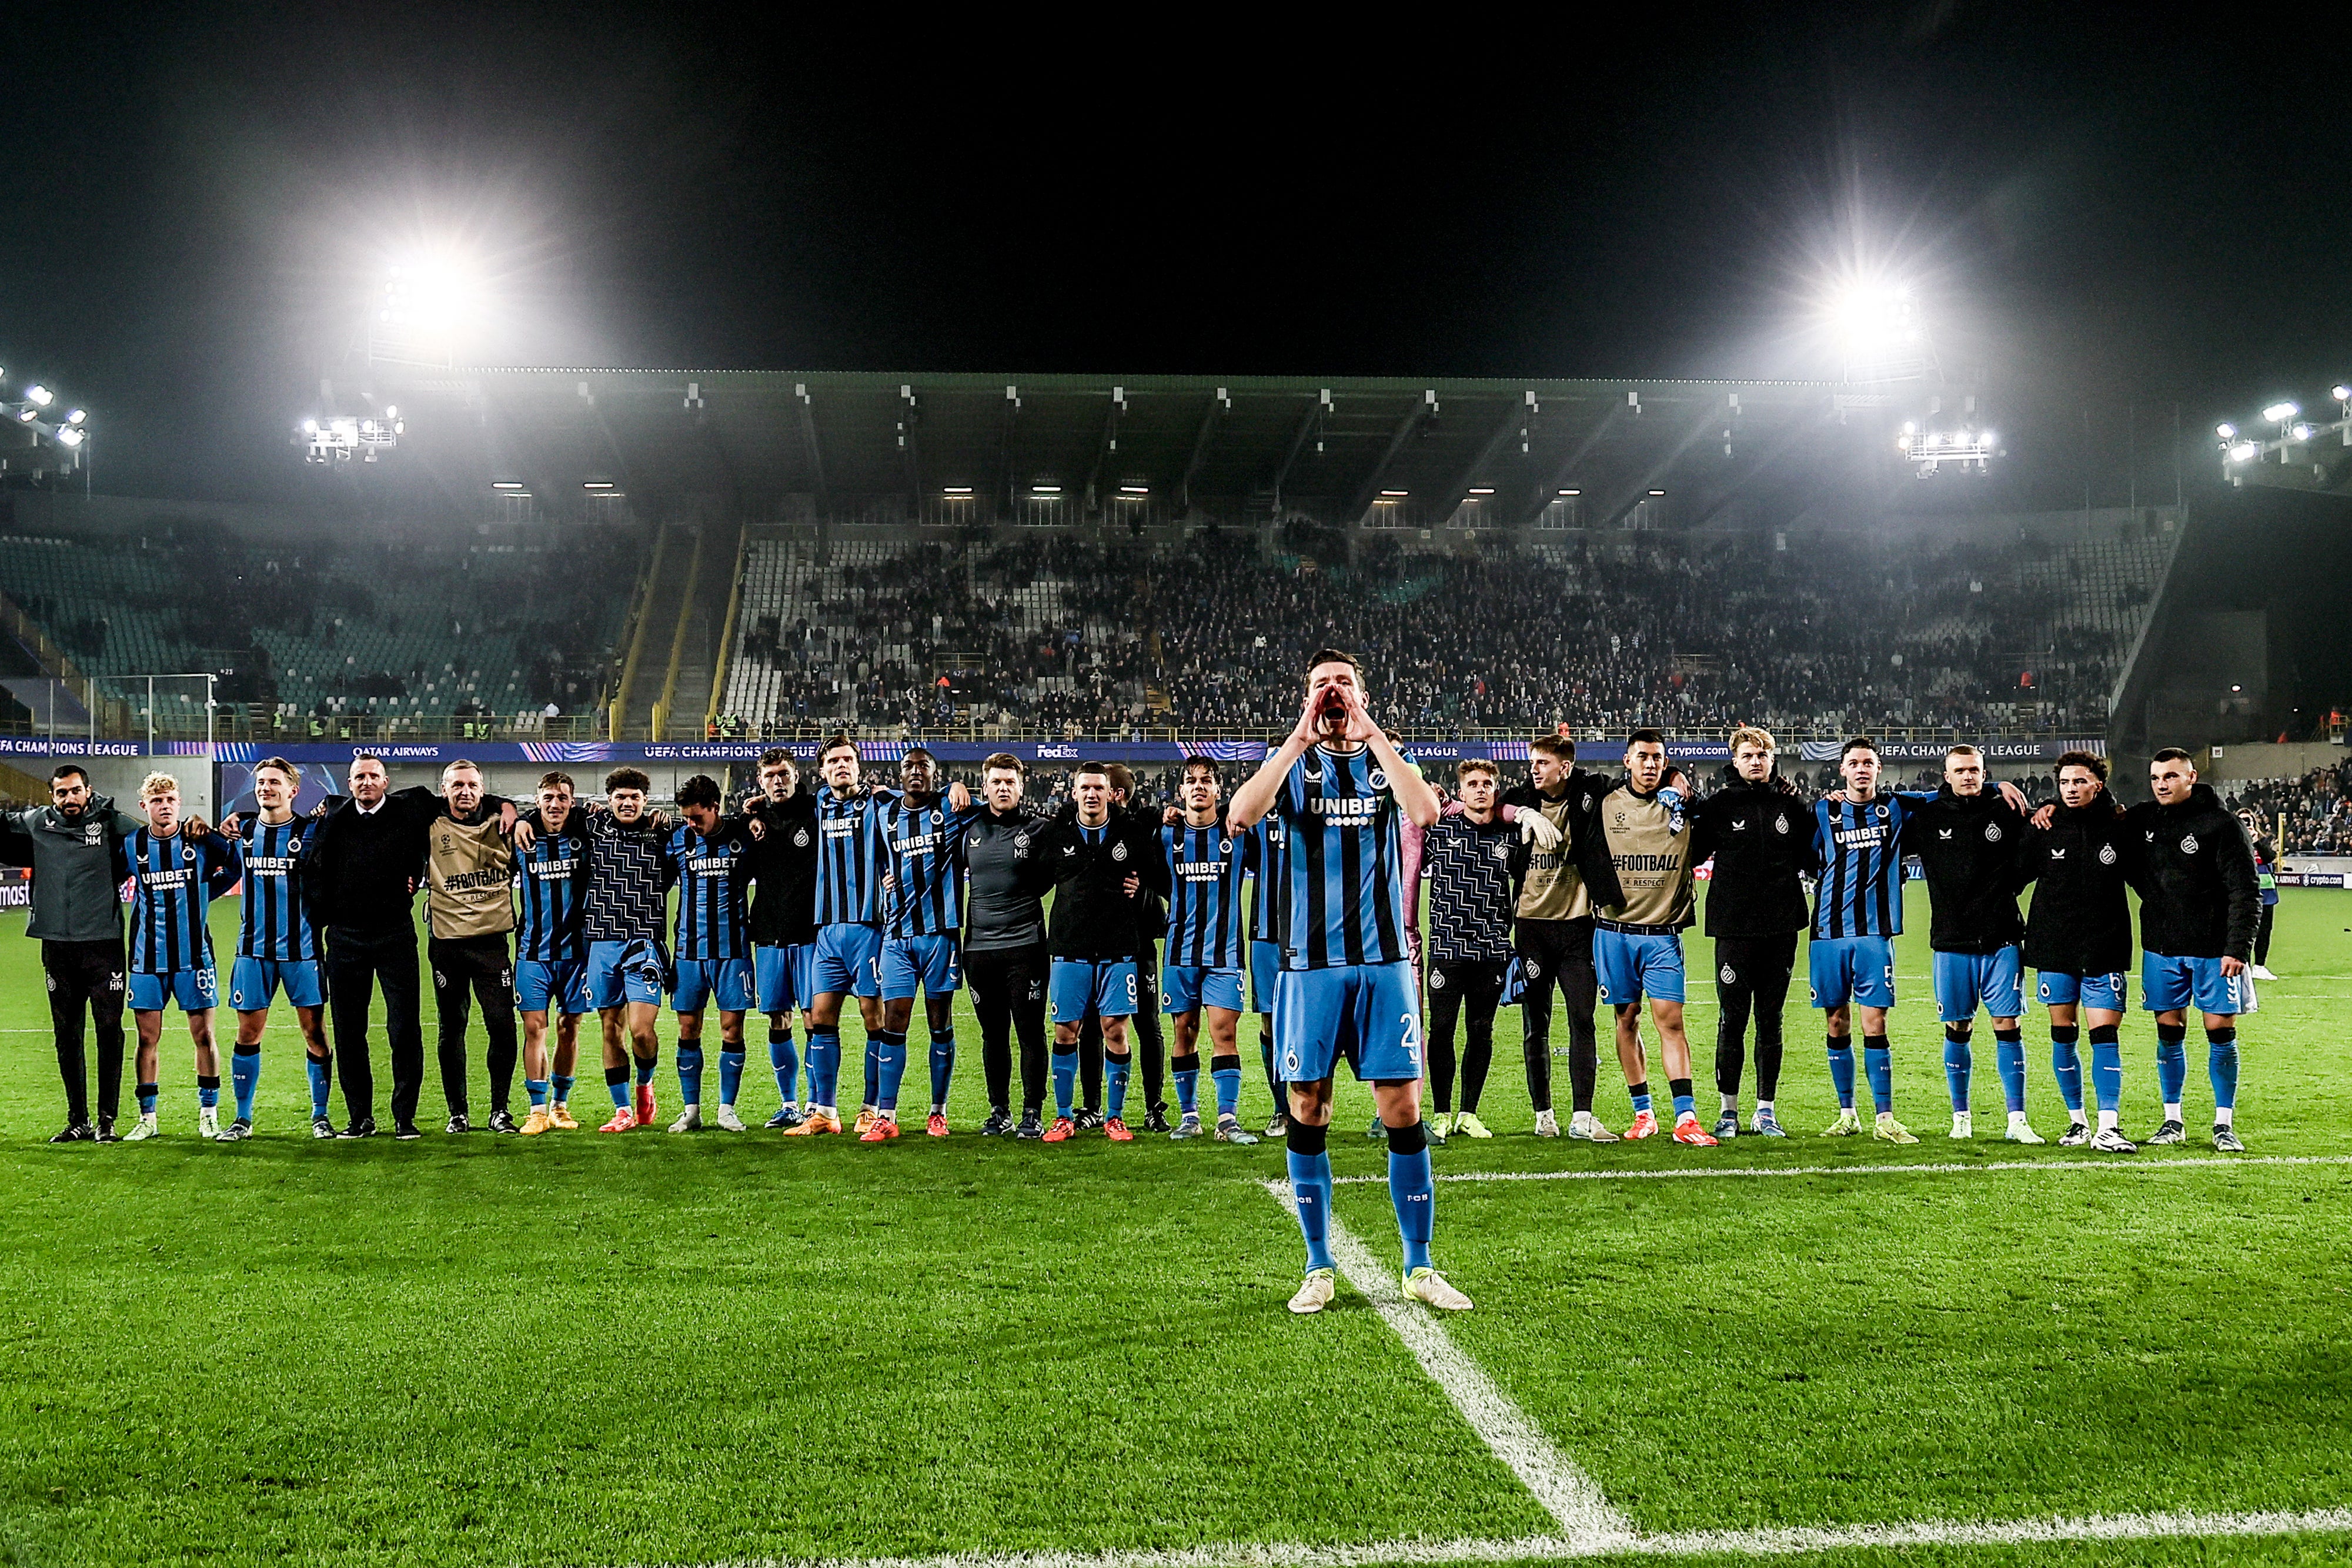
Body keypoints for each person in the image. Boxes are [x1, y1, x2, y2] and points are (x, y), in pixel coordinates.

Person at [1227, 648, 1466, 1314]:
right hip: (1310, 968)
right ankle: (1318, 1265)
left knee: (1403, 1110)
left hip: (1384, 964)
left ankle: (1419, 1265)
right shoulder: (1293, 767)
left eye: (1343, 684)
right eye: (1320, 685)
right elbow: (1240, 816)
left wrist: (1374, 734)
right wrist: (1297, 737)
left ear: (1361, 693)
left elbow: (1425, 813)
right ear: (1305, 697)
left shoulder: (1388, 766)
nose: (1332, 692)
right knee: (1308, 1108)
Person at [1805, 737, 2020, 1144]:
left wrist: (1996, 787)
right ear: (1842, 770)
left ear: (1879, 767)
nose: (1862, 769)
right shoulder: (1821, 811)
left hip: (1874, 933)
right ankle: (1847, 1112)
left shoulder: (1898, 808)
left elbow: (1954, 792)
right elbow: (1805, 856)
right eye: (1854, 763)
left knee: (1875, 1022)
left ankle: (1884, 1117)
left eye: (1868, 762)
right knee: (1836, 1021)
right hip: (1828, 933)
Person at [299, 753, 515, 1140]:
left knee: (404, 1028)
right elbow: (314, 869)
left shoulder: (410, 807)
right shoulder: (333, 817)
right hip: (345, 939)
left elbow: (469, 796)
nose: (366, 782)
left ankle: (405, 1118)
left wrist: (508, 807)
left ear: (386, 782)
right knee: (350, 1031)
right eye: (359, 777)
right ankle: (360, 1118)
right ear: (350, 784)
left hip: (395, 935)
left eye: (374, 776)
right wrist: (329, 914)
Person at [1582, 731, 1718, 1145]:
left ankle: (1686, 1117)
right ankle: (1644, 1114)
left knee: (1671, 1021)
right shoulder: (1604, 802)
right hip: (1613, 933)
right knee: (1626, 1018)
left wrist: (1685, 791)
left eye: (1658, 758)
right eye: (1642, 756)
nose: (1650, 764)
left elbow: (1712, 817)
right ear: (1627, 760)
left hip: (1662, 935)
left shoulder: (1685, 809)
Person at [1899, 744, 2036, 1142]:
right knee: (1958, 1027)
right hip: (1951, 941)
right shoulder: (1927, 818)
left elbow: (2035, 842)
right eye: (1960, 770)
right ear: (1946, 776)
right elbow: (1888, 807)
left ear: (1984, 771)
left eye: (1975, 770)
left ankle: (2017, 1120)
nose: (1968, 776)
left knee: (2007, 1025)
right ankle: (1961, 1116)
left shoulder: (2005, 810)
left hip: (2002, 938)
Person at [8, 765, 153, 1142]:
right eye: (61, 793)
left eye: (75, 791)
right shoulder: (36, 822)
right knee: (66, 1034)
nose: (69, 799)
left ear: (88, 791)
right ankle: (78, 1120)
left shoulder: (111, 824)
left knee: (109, 1030)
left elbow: (153, 833)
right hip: (56, 945)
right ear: (52, 795)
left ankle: (107, 1120)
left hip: (103, 945)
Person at [1687, 726, 1816, 1139]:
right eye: (1748, 755)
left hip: (1780, 928)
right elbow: (1691, 854)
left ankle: (1765, 1110)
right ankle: (1728, 1112)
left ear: (1773, 759)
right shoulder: (1720, 805)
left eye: (1763, 754)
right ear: (1735, 761)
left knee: (1771, 1019)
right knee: (1732, 1018)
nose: (1756, 761)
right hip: (1733, 929)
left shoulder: (1790, 805)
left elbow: (1813, 860)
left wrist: (1809, 804)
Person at [2129, 749, 2259, 1151]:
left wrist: (2237, 947)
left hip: (2214, 951)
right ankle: (2173, 1120)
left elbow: (2245, 890)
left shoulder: (2221, 824)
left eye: (2170, 776)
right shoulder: (2145, 820)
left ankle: (2224, 1124)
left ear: (2191, 776)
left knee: (2220, 1034)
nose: (2162, 784)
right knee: (2169, 1034)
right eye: (2155, 778)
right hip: (2162, 948)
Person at [1018, 762, 1152, 1142]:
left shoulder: (1132, 833)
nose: (1092, 794)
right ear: (1073, 793)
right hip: (1068, 948)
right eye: (1085, 788)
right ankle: (1063, 1116)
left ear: (1111, 793)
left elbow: (1155, 877)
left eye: (1099, 787)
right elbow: (1035, 880)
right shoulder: (1057, 832)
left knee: (1115, 1031)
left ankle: (1114, 1115)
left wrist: (1140, 887)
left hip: (1118, 949)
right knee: (1066, 1031)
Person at [2020, 751, 2137, 1152]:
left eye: (2080, 782)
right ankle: (2077, 1122)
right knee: (2063, 1034)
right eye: (2065, 783)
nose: (2071, 789)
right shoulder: (2045, 827)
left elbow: (2149, 880)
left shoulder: (2120, 827)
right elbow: (2013, 876)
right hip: (2055, 946)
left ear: (2097, 785)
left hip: (2105, 946)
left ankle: (2109, 1126)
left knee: (2104, 1035)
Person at [1499, 730, 1613, 1139]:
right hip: (1531, 928)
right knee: (1537, 1023)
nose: (1534, 769)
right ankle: (1543, 1114)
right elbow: (1491, 806)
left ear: (1565, 767)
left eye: (1542, 762)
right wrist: (1524, 815)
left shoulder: (1589, 790)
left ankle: (1582, 1117)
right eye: (1532, 762)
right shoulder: (1522, 799)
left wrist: (1671, 778)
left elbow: (1627, 782)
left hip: (1578, 929)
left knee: (1583, 1018)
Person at [116, 773, 243, 1139]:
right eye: (157, 801)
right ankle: (148, 1119)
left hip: (195, 957)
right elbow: (109, 876)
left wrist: (206, 891)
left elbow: (234, 866)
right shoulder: (133, 844)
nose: (165, 806)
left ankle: (209, 1113)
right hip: (146, 959)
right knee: (147, 1039)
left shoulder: (198, 840)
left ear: (180, 802)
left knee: (204, 1035)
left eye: (170, 799)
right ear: (145, 806)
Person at [784, 737, 891, 1138]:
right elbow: (784, 804)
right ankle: (826, 1111)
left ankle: (872, 1108)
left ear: (860, 766)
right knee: (821, 1018)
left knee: (873, 1017)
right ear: (823, 770)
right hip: (827, 930)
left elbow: (919, 801)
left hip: (868, 927)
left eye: (848, 759)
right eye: (834, 761)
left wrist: (953, 789)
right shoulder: (817, 806)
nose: (842, 765)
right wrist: (757, 807)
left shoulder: (881, 803)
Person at [871, 747, 978, 1140]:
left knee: (939, 1023)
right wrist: (886, 877)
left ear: (935, 774)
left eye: (924, 767)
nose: (916, 772)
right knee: (893, 1021)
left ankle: (938, 1111)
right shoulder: (885, 814)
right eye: (909, 767)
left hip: (940, 934)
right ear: (900, 774)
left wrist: (961, 785)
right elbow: (880, 857)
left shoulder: (952, 807)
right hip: (897, 936)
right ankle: (887, 1114)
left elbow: (996, 808)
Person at [1415, 760, 1524, 1140]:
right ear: (1460, 791)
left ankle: (1468, 1113)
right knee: (1442, 1031)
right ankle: (1442, 1112)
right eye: (1473, 783)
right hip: (1447, 947)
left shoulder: (1509, 834)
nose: (1480, 789)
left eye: (1487, 783)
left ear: (1496, 790)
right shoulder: (1440, 828)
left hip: (1492, 950)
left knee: (1482, 1031)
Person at [1153, 757, 1259, 1144]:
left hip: (1225, 953)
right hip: (1180, 951)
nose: (1198, 786)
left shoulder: (1238, 832)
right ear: (1181, 791)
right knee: (1184, 1030)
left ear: (1218, 790)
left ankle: (1228, 1119)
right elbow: (1151, 877)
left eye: (1206, 781)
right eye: (1190, 781)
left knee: (1223, 1031)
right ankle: (1189, 1115)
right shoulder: (1166, 835)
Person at [223, 757, 331, 1139]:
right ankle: (242, 1118)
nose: (266, 787)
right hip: (252, 951)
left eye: (274, 782)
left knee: (314, 1032)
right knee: (248, 1032)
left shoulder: (311, 831)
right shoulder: (243, 832)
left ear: (293, 790)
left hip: (302, 951)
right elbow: (220, 869)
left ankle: (320, 1116)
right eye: (261, 782)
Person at [419, 760, 522, 1134]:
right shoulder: (428, 822)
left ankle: (500, 1110)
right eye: (457, 786)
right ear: (444, 790)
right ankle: (457, 1113)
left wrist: (507, 805)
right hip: (448, 945)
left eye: (473, 786)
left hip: (492, 944)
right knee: (452, 1027)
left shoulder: (505, 823)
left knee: (502, 1024)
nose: (465, 792)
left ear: (483, 790)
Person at [572, 768, 675, 1133]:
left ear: (645, 800)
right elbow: (548, 814)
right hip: (601, 941)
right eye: (620, 797)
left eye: (634, 797)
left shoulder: (664, 832)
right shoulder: (593, 826)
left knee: (641, 1033)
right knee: (609, 1028)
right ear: (610, 799)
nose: (627, 803)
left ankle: (645, 1084)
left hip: (644, 941)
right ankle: (622, 1110)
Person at [662, 774, 761, 1132]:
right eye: (686, 817)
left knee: (731, 1030)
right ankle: (691, 1110)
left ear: (715, 808)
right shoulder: (677, 840)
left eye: (696, 817)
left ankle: (726, 1109)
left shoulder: (743, 836)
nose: (691, 824)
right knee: (688, 1028)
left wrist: (758, 812)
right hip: (688, 952)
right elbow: (657, 884)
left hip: (733, 950)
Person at [961, 753, 1051, 1139]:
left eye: (1009, 782)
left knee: (1030, 1031)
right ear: (985, 787)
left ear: (1021, 786)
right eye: (995, 782)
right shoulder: (968, 825)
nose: (1002, 788)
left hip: (1025, 946)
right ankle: (999, 1111)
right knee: (992, 1034)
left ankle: (1033, 1111)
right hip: (979, 949)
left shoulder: (1040, 829)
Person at [513, 771, 593, 1135]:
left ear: (572, 802)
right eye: (548, 797)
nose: (555, 804)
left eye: (562, 797)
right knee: (535, 1028)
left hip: (577, 953)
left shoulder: (586, 833)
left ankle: (560, 1106)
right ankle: (536, 1110)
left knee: (569, 1027)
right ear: (537, 801)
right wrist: (512, 815)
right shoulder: (521, 837)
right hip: (533, 953)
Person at [743, 750, 818, 1129]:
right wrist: (750, 813)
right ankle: (789, 1102)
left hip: (809, 932)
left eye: (784, 774)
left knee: (813, 1017)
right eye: (770, 775)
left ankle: (815, 1103)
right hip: (769, 933)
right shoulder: (752, 821)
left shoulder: (817, 809)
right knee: (778, 1017)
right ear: (760, 781)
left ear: (796, 775)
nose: (778, 781)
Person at [1246, 810, 1291, 1136]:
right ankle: (1282, 1110)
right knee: (1270, 1021)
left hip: (1310, 929)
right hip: (1265, 932)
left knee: (1314, 1020)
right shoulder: (1257, 813)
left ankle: (1311, 1105)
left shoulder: (1315, 800)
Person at [2236, 808, 2280, 980]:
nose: (2246, 824)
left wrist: (2255, 841)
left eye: (2249, 821)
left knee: (2264, 930)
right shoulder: (2233, 841)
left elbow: (2269, 858)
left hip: (2267, 892)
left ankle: (2260, 966)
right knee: (2244, 929)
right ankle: (2244, 965)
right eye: (2242, 821)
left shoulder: (2262, 841)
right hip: (2245, 892)